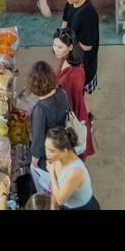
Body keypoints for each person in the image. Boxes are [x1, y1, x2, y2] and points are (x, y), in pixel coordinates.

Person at [27, 61, 71, 193]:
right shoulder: (61, 93)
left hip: (49, 156)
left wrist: (33, 163)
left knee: (47, 187)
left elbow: (38, 142)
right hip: (63, 146)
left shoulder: (40, 110)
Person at [52, 28, 94, 158]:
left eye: (59, 47)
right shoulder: (65, 59)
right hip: (66, 108)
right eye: (54, 45)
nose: (55, 49)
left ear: (70, 47)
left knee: (74, 152)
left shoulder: (75, 74)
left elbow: (75, 103)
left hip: (73, 115)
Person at [60, 0, 99, 91]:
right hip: (70, 55)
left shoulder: (89, 14)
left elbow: (86, 46)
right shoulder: (70, 3)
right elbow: (65, 22)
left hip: (83, 62)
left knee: (81, 91)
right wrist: (60, 39)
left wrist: (66, 47)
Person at [46, 126, 98, 209]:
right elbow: (55, 185)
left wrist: (51, 172)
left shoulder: (76, 171)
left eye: (51, 150)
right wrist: (53, 207)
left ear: (64, 150)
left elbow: (60, 200)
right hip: (69, 205)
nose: (47, 153)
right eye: (46, 148)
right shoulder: (57, 158)